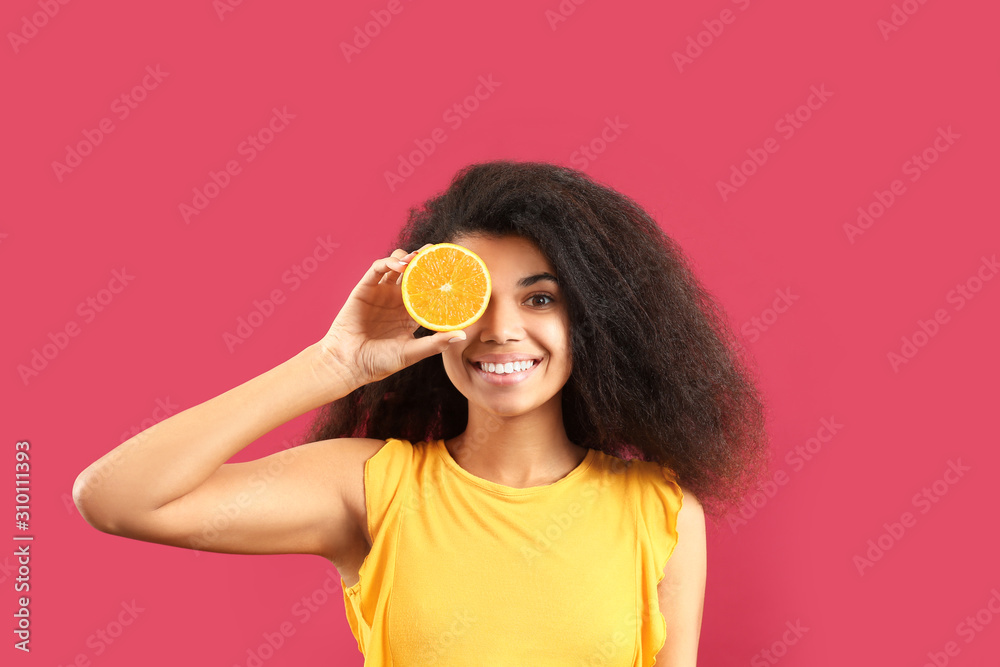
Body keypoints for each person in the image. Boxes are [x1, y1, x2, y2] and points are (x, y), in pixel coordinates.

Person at [73, 160, 769, 666]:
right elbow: (117, 497)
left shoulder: (663, 513)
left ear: (594, 321)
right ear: (433, 312)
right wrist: (330, 364)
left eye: (540, 298)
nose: (501, 329)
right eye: (475, 299)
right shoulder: (373, 488)